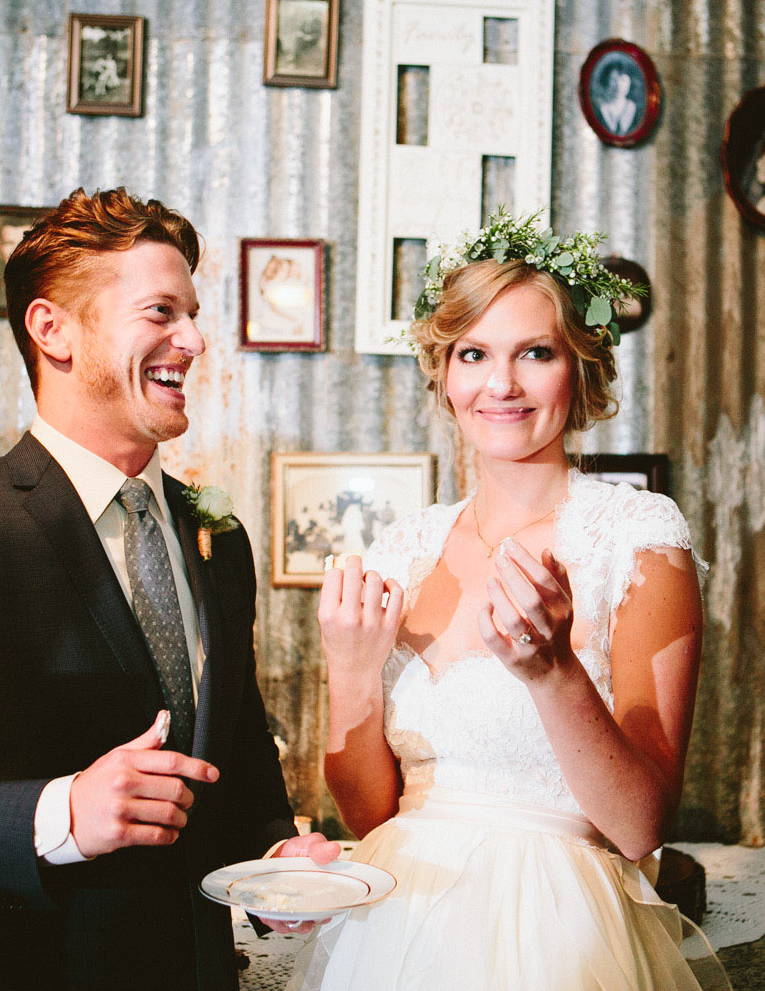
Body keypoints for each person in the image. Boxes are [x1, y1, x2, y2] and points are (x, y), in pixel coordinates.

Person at [0, 187, 337, 991]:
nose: (194, 341)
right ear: (51, 329)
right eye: (161, 312)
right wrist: (58, 815)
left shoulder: (218, 539)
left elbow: (230, 768)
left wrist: (275, 858)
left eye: (192, 314)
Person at [290, 214, 730, 990]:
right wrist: (351, 668)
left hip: (557, 935)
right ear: (444, 374)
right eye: (474, 354)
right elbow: (370, 819)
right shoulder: (405, 549)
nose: (501, 385)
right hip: (396, 926)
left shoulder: (637, 537)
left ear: (579, 369)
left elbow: (639, 827)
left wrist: (554, 672)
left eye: (535, 352)